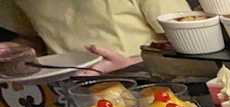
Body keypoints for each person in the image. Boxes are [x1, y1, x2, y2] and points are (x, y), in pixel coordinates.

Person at [0, 0, 192, 74]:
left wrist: (132, 63)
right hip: (67, 95)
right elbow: (33, 38)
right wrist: (17, 51)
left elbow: (193, 44)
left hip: (150, 82)